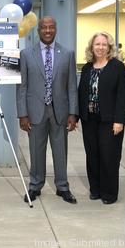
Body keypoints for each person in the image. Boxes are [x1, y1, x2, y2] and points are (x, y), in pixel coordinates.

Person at [16, 16, 78, 204]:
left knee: (60, 151)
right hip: (35, 112)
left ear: (56, 29)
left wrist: (73, 113)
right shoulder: (26, 54)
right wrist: (22, 114)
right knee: (36, 151)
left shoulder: (67, 53)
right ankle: (35, 185)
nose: (48, 31)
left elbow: (71, 86)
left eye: (51, 27)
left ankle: (62, 187)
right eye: (44, 27)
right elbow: (22, 87)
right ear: (39, 30)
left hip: (60, 111)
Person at [78, 32, 125, 205]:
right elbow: (81, 93)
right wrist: (77, 116)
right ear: (91, 47)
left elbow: (124, 95)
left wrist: (119, 120)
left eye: (103, 44)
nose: (100, 47)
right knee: (92, 155)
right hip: (89, 120)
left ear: (109, 47)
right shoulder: (87, 67)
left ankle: (109, 193)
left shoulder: (117, 67)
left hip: (110, 120)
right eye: (97, 44)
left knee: (109, 156)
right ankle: (96, 189)